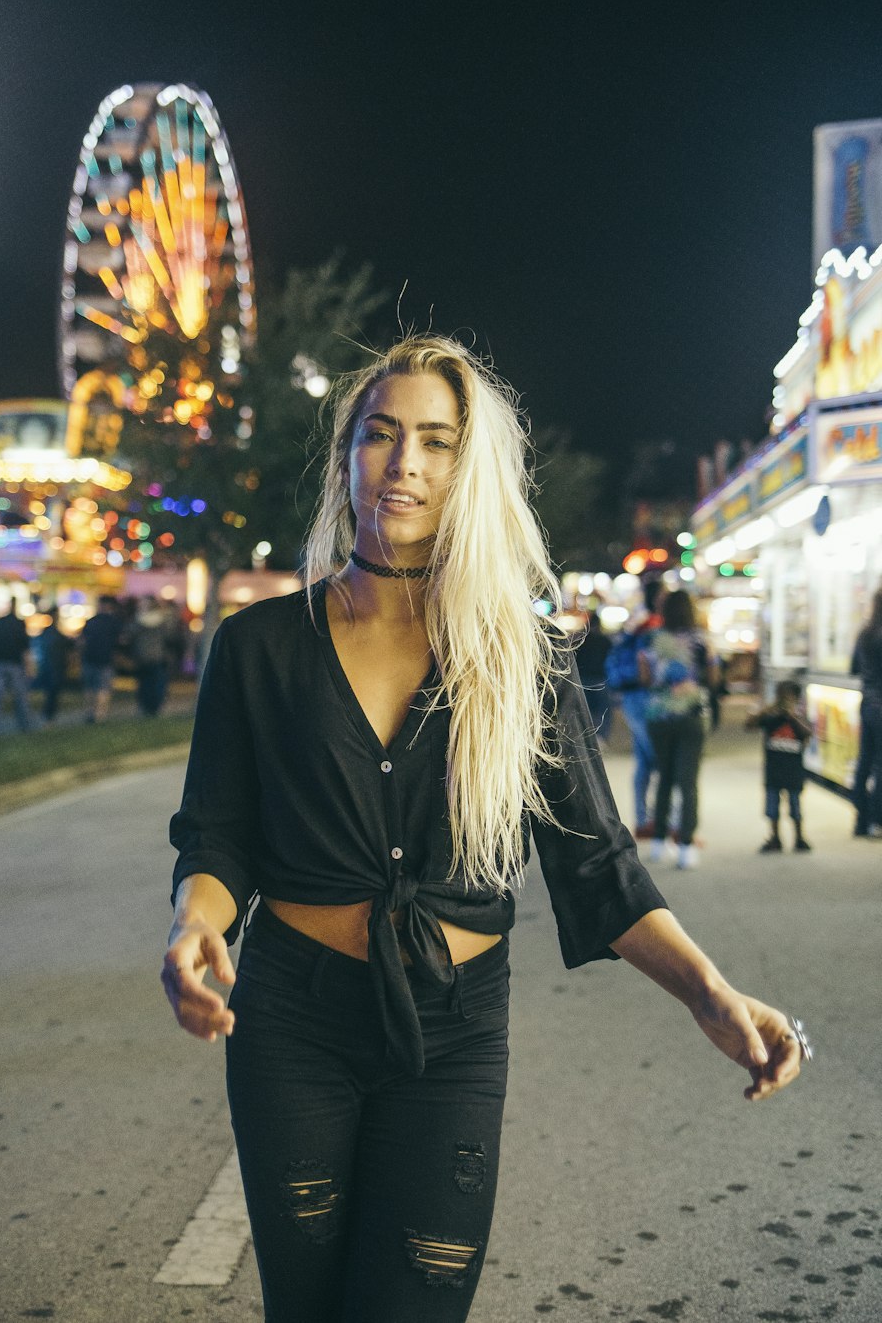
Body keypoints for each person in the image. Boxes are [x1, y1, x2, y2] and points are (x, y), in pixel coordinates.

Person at [162, 336, 806, 1323]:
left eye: (436, 440)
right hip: (291, 1021)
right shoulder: (257, 647)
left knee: (417, 1303)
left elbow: (596, 860)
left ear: (473, 470)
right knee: (307, 1305)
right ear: (346, 457)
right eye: (380, 434)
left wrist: (710, 996)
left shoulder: (520, 653)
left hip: (455, 1031)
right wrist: (192, 925)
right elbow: (218, 837)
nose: (405, 462)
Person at [640, 588, 715, 869]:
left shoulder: (652, 640)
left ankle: (659, 841)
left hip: (659, 716)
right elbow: (714, 677)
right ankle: (686, 846)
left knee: (664, 776)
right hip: (693, 715)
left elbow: (645, 678)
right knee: (689, 781)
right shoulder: (701, 640)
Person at [606, 579, 662, 834]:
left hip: (632, 698)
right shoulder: (653, 627)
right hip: (647, 698)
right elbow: (649, 669)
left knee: (644, 761)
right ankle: (660, 820)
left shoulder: (636, 625)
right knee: (657, 757)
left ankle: (643, 819)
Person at [745, 681, 812, 853]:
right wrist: (765, 710)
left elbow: (807, 734)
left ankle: (799, 837)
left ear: (797, 699)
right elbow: (749, 726)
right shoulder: (770, 717)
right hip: (774, 770)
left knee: (796, 807)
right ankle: (775, 838)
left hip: (793, 771)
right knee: (772, 808)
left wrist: (792, 716)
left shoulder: (800, 717)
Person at [850, 587, 882, 838]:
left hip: (867, 703)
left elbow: (853, 668)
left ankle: (860, 820)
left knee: (864, 763)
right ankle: (876, 820)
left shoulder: (865, 634)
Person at [0, 597, 33, 733]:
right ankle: (25, 725)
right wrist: (29, 668)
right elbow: (25, 648)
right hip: (14, 663)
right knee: (20, 696)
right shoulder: (19, 624)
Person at [80, 594, 122, 723]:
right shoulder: (114, 622)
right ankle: (100, 715)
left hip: (89, 658)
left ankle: (89, 713)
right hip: (106, 659)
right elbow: (121, 640)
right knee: (103, 688)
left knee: (89, 688)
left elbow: (81, 641)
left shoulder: (91, 621)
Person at [574, 609, 613, 741]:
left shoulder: (581, 640)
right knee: (603, 709)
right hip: (600, 678)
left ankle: (585, 737)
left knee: (585, 710)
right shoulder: (605, 640)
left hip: (583, 679)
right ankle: (601, 736)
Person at [131, 595, 169, 717]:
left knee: (146, 684)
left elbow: (131, 634)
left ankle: (147, 707)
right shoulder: (163, 620)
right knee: (155, 684)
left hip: (144, 656)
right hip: (156, 656)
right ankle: (154, 708)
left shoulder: (138, 620)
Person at [35, 608, 72, 722]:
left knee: (51, 692)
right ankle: (49, 714)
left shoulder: (46, 632)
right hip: (54, 666)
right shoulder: (54, 633)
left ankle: (48, 714)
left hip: (49, 665)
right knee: (52, 691)